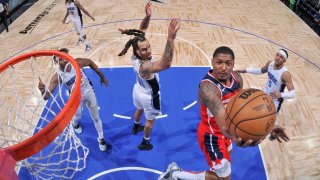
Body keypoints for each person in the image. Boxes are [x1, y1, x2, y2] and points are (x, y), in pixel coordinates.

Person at [158, 46, 289, 180]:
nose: (223, 67)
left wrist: (268, 127)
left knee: (228, 157)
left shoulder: (237, 78)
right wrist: (252, 134)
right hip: (212, 135)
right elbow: (225, 127)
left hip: (227, 131)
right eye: (219, 62)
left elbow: (241, 109)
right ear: (212, 62)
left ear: (233, 63)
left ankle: (213, 170)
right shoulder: (208, 89)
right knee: (223, 179)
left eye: (228, 63)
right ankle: (175, 174)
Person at [117, 2, 180, 151]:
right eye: (144, 50)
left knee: (138, 109)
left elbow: (142, 30)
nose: (148, 51)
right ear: (138, 52)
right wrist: (170, 40)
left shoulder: (134, 54)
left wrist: (147, 16)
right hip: (149, 96)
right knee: (150, 121)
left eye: (148, 47)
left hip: (137, 90)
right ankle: (145, 142)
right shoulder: (145, 67)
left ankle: (135, 127)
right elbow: (166, 64)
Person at [38, 48, 109, 151]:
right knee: (77, 116)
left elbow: (90, 62)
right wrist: (42, 90)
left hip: (88, 91)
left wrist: (101, 76)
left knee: (96, 116)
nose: (64, 59)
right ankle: (75, 124)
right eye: (61, 58)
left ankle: (101, 138)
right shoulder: (57, 77)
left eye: (65, 56)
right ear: (56, 61)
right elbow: (46, 97)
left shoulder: (77, 63)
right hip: (76, 98)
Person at [236, 49, 295, 114]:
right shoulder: (270, 63)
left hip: (275, 100)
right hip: (265, 92)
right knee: (254, 113)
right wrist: (246, 70)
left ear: (284, 61)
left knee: (266, 120)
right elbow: (260, 70)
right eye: (277, 55)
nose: (278, 58)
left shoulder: (285, 74)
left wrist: (281, 94)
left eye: (281, 57)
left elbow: (293, 94)